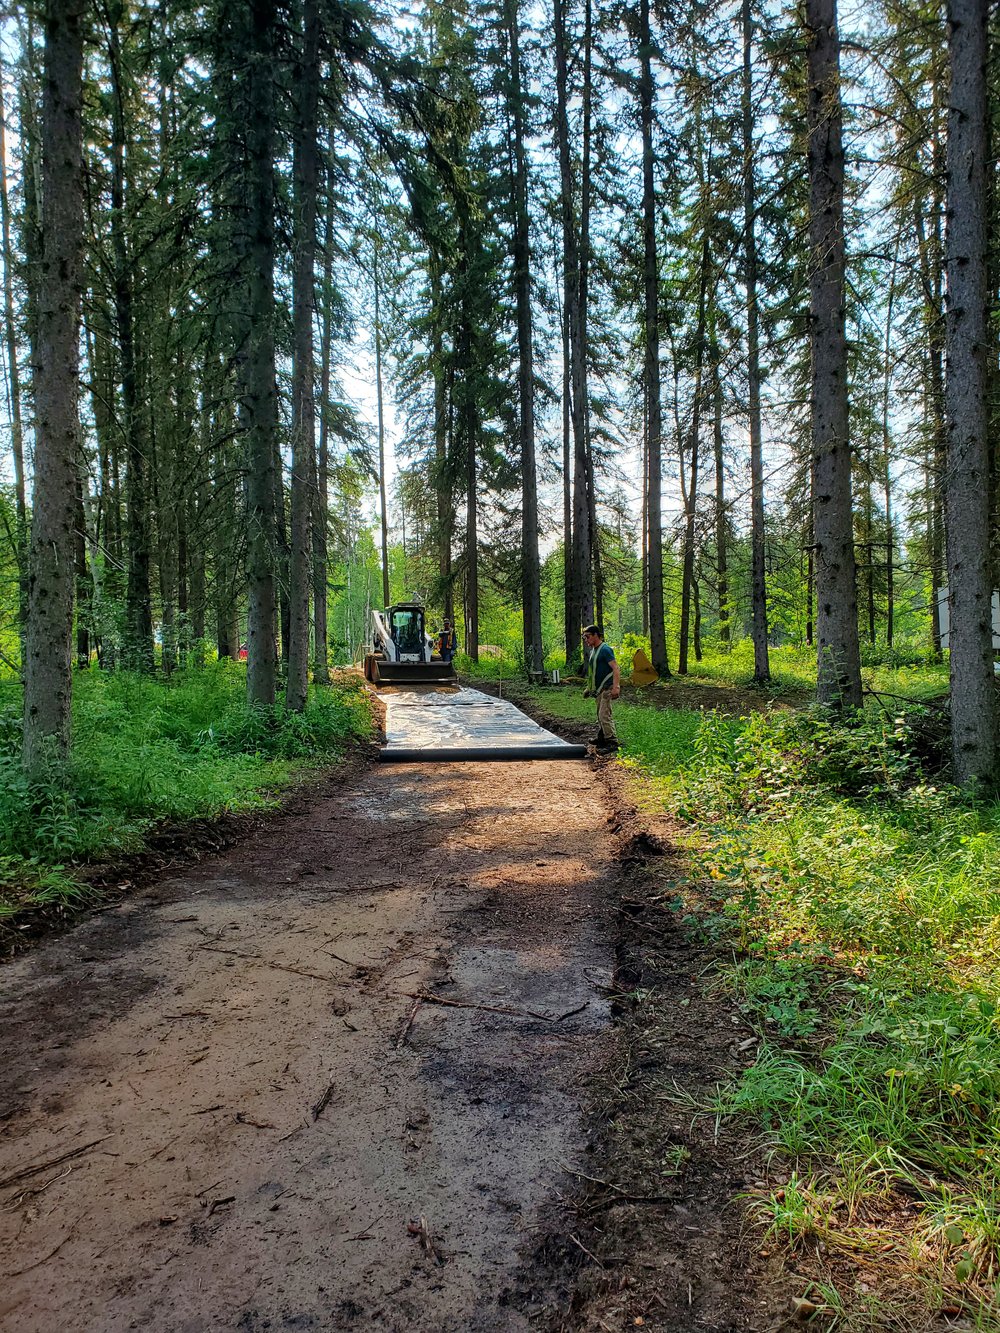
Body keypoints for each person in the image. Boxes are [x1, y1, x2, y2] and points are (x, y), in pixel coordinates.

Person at [582, 624, 620, 751]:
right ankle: (602, 737)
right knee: (600, 714)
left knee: (604, 715)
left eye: (587, 637)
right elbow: (594, 673)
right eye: (584, 638)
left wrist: (616, 687)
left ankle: (612, 742)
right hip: (599, 690)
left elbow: (616, 668)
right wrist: (589, 688)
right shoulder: (594, 650)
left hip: (607, 688)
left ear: (596, 635)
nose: (586, 640)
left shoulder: (605, 649)